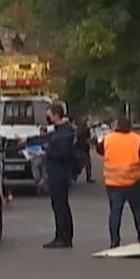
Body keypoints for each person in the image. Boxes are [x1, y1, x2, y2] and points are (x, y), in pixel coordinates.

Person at [101, 116, 140, 249]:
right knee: (138, 212)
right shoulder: (137, 139)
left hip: (114, 183)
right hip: (133, 181)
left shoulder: (108, 138)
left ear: (117, 126)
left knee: (115, 212)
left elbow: (100, 150)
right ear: (130, 126)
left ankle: (114, 241)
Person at [41, 101, 80, 249]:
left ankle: (63, 237)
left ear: (56, 115)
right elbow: (47, 139)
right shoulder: (59, 130)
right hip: (56, 172)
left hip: (60, 173)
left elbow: (63, 153)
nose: (47, 118)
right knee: (59, 205)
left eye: (49, 115)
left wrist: (46, 153)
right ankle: (63, 235)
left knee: (60, 206)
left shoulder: (65, 131)